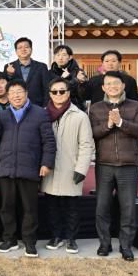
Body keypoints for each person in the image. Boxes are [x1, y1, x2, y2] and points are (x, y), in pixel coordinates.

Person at [0, 79, 56, 258]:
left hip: (30, 168)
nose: (16, 96)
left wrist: (46, 163)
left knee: (29, 208)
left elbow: (48, 140)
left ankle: (29, 242)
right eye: (12, 93)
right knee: (6, 207)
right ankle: (9, 240)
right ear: (7, 96)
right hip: (7, 168)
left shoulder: (40, 113)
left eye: (19, 92)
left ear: (26, 93)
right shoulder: (3, 114)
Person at [89, 71, 138, 261]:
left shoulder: (136, 106)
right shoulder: (96, 108)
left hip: (128, 164)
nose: (112, 86)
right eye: (108, 84)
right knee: (102, 207)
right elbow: (92, 133)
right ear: (103, 87)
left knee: (128, 208)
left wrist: (121, 122)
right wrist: (108, 125)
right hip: (104, 164)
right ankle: (104, 243)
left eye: (116, 83)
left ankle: (126, 245)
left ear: (123, 86)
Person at [42, 77, 94, 254]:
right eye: (54, 91)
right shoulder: (43, 114)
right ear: (50, 94)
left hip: (70, 168)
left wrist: (81, 169)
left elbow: (86, 145)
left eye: (62, 91)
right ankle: (56, 236)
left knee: (72, 207)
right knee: (52, 206)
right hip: (50, 169)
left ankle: (71, 239)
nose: (58, 94)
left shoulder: (80, 116)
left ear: (69, 93)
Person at [3, 37, 50, 107]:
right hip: (16, 106)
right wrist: (9, 74)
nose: (23, 49)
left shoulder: (42, 66)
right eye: (20, 48)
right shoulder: (8, 66)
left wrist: (45, 106)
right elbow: (5, 88)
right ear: (16, 51)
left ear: (31, 49)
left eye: (26, 47)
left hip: (37, 106)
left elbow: (47, 88)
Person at [49, 45, 87, 111]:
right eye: (58, 55)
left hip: (75, 108)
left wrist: (76, 80)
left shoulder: (78, 72)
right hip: (55, 108)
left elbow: (83, 93)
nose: (60, 58)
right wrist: (65, 79)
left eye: (64, 55)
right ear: (54, 57)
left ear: (70, 57)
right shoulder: (49, 73)